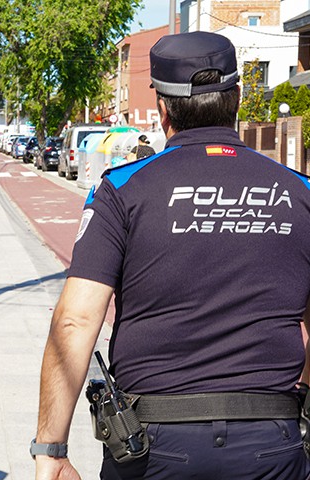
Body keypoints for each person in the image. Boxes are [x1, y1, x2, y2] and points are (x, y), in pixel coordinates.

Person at [34, 31, 310, 480]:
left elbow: (76, 321)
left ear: (162, 108)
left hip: (153, 446)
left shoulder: (122, 189)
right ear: (238, 98)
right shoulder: (300, 191)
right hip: (271, 438)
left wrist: (51, 449)